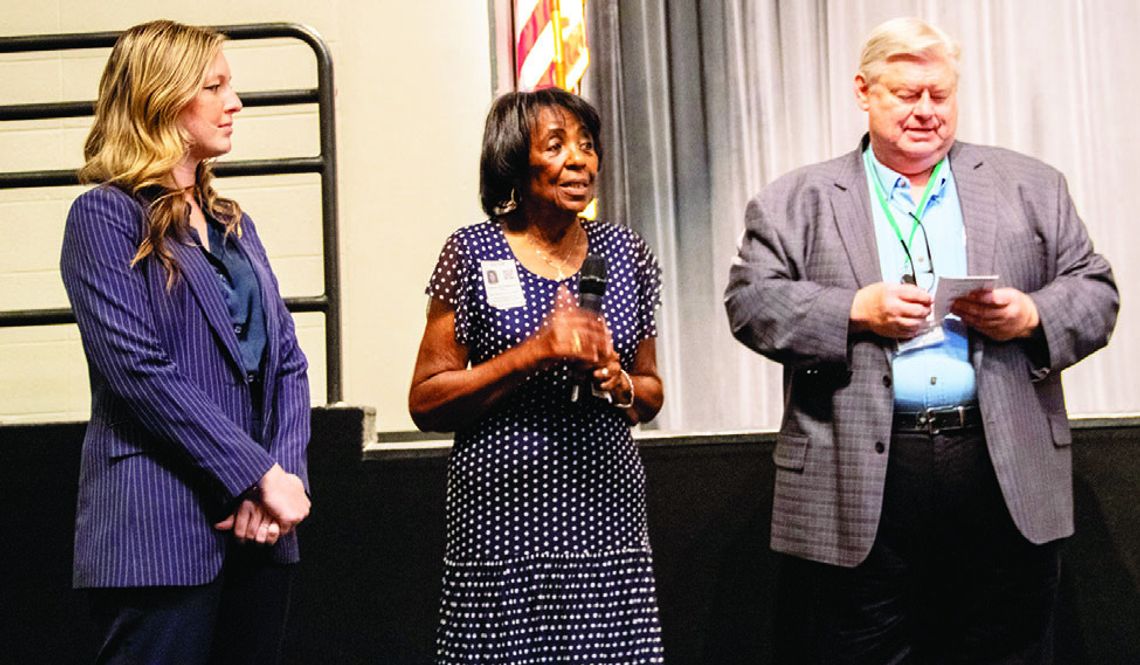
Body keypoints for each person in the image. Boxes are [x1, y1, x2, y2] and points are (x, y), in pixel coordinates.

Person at [724, 17, 1117, 665]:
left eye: (940, 95)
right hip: (861, 467)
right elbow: (750, 303)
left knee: (1006, 646)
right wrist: (854, 309)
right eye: (907, 94)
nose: (926, 111)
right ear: (864, 91)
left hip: (999, 461)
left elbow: (1096, 291)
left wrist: (1030, 315)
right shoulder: (797, 198)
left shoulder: (1030, 184)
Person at [59, 20, 311, 665]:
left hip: (259, 530)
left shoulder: (232, 222)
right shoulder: (104, 215)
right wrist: (255, 474)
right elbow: (138, 370)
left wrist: (282, 477)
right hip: (158, 530)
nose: (236, 102)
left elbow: (285, 359)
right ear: (162, 97)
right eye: (215, 86)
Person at [409, 88, 665, 663]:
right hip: (501, 515)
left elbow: (649, 392)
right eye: (557, 145)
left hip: (606, 511)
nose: (581, 160)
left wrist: (616, 379)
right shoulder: (471, 253)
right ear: (513, 162)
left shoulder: (626, 253)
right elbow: (426, 400)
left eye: (588, 145)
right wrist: (534, 354)